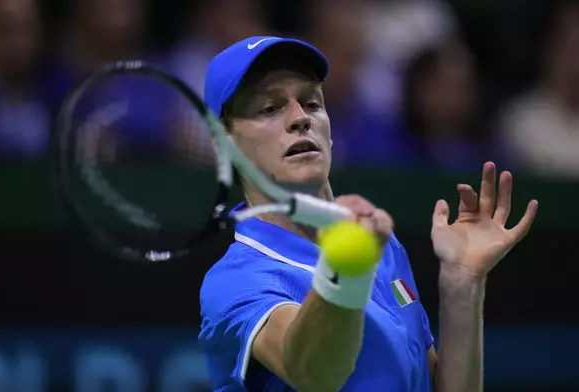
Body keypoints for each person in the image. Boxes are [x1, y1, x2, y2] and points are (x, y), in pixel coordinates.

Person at [198, 36, 538, 392]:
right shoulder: (234, 281)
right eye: (269, 108)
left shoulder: (385, 247)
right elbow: (312, 372)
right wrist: (346, 267)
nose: (300, 118)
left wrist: (462, 284)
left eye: (312, 103)